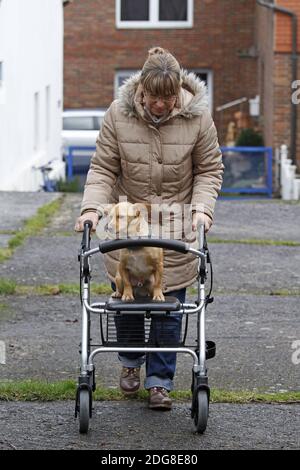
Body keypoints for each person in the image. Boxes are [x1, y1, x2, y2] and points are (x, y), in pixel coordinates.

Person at [75, 47, 223, 410]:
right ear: (141, 89)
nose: (160, 105)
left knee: (168, 309)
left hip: (177, 227)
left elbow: (208, 170)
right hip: (125, 225)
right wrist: (92, 209)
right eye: (154, 98)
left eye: (168, 98)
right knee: (125, 304)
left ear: (178, 93)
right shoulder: (117, 114)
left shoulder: (198, 118)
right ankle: (129, 364)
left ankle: (160, 382)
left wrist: (202, 210)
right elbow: (104, 169)